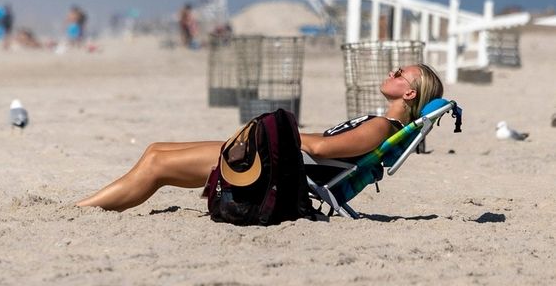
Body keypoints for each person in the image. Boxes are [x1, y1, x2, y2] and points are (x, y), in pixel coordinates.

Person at [76, 64, 443, 212]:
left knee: (157, 164)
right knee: (155, 149)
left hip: (276, 172)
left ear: (409, 94)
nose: (392, 72)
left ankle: (84, 211)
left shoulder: (381, 129)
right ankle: (91, 205)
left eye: (400, 74)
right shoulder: (379, 124)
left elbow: (321, 148)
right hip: (278, 161)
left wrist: (281, 131)